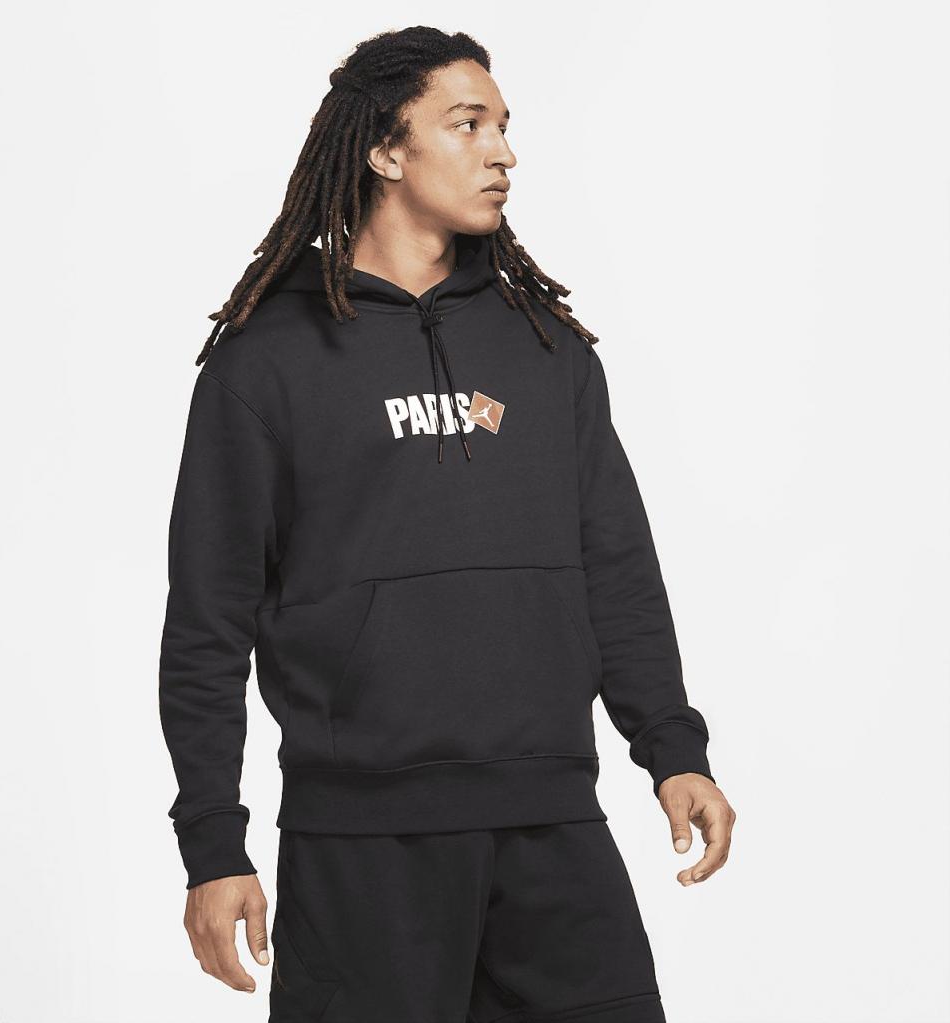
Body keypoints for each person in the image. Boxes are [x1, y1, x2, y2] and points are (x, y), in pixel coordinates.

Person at [158, 25, 736, 1023]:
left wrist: (672, 747)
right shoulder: (268, 361)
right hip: (360, 842)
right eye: (468, 125)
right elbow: (208, 621)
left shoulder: (548, 350)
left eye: (504, 127)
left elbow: (615, 568)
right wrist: (214, 845)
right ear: (386, 150)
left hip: (552, 825)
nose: (502, 151)